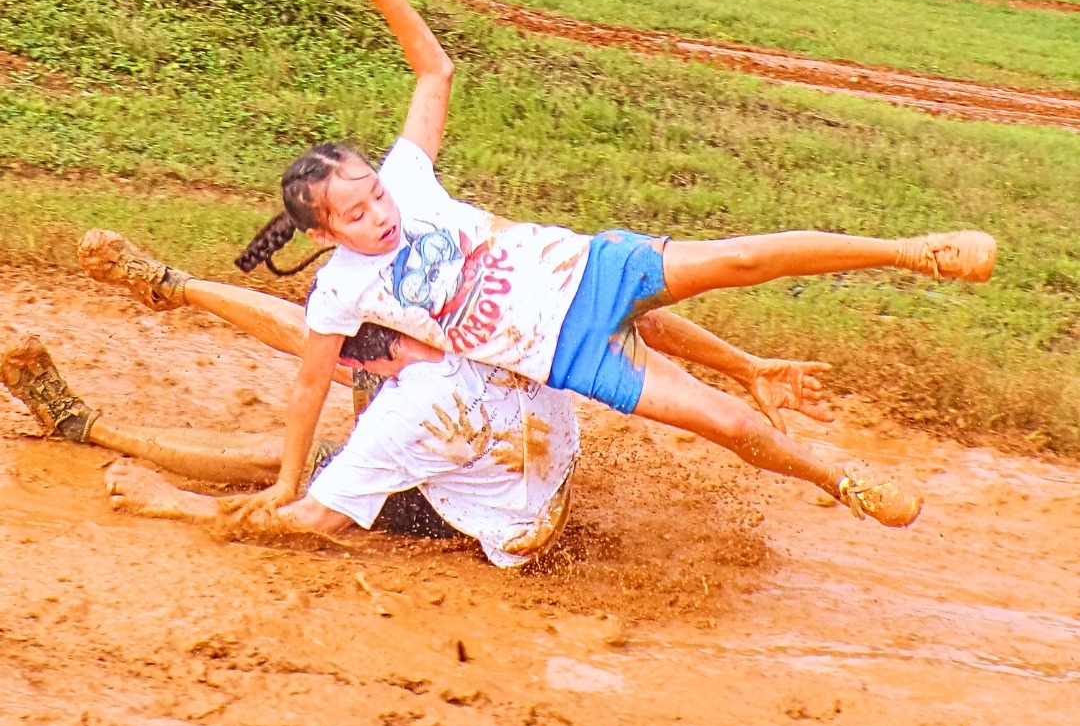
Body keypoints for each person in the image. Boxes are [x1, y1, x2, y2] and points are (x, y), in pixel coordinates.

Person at [213, 0, 996, 528]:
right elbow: (311, 382)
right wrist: (289, 481)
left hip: (589, 268)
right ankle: (844, 481)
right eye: (354, 215)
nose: (379, 215)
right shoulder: (341, 291)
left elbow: (434, 69)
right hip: (568, 354)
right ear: (322, 235)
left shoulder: (408, 179)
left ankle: (914, 252)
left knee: (747, 258)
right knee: (723, 424)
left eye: (374, 194)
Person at [6, 249, 839, 560]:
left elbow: (306, 521)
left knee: (280, 467)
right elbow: (635, 312)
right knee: (321, 402)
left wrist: (175, 506)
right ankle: (166, 292)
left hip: (488, 507)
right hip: (521, 453)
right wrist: (746, 362)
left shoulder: (409, 412)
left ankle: (85, 426)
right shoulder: (488, 317)